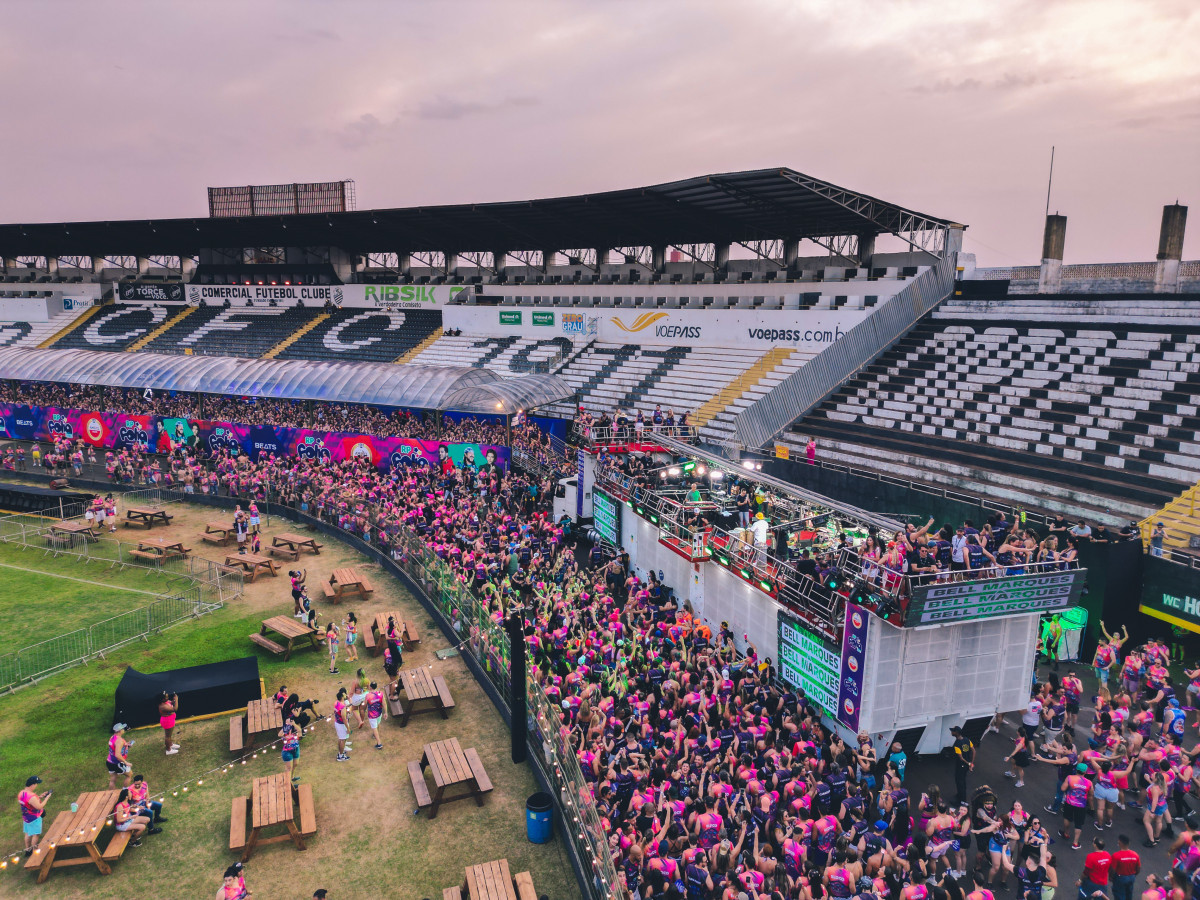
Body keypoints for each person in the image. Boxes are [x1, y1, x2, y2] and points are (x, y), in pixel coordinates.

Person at [18, 775, 50, 856]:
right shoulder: (31, 797)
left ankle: (28, 850)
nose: (36, 786)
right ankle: (35, 850)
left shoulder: (22, 793)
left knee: (28, 833)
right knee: (36, 834)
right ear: (32, 785)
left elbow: (28, 802)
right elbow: (39, 807)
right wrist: (47, 798)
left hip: (26, 817)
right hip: (35, 818)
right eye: (36, 784)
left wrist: (39, 797)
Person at [1110, 835, 1140, 900]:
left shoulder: (1116, 855)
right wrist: (1134, 875)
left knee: (1119, 895)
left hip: (1120, 878)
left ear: (1119, 843)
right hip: (1131, 877)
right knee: (1129, 893)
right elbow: (1138, 868)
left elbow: (1113, 869)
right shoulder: (1135, 854)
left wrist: (1111, 877)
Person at [952, 725, 975, 806]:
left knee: (959, 782)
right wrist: (971, 763)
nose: (951, 732)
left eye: (953, 731)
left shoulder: (957, 744)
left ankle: (962, 801)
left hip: (961, 765)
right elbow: (974, 751)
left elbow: (961, 758)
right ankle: (960, 795)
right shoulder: (967, 740)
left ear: (956, 733)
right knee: (963, 780)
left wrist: (968, 763)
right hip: (966, 766)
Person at [107, 722, 133, 789]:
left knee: (113, 779)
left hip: (109, 761)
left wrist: (125, 745)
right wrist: (126, 762)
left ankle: (111, 795)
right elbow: (117, 755)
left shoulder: (112, 737)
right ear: (120, 731)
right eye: (123, 729)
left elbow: (114, 747)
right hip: (117, 763)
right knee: (129, 775)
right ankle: (125, 790)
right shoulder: (119, 741)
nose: (124, 730)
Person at [158, 690, 180, 755]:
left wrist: (174, 701)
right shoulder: (163, 706)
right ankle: (168, 750)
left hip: (170, 720)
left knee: (169, 735)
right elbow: (175, 709)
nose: (167, 698)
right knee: (167, 736)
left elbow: (171, 703)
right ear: (162, 699)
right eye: (166, 697)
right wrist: (177, 700)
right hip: (167, 721)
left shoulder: (166, 702)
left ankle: (170, 744)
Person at [365, 681, 385, 750]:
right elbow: (384, 703)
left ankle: (379, 743)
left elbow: (365, 704)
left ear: (370, 687)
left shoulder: (368, 695)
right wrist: (386, 713)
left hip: (372, 715)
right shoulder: (380, 693)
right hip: (379, 713)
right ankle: (375, 735)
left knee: (374, 728)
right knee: (378, 723)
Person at [280, 718, 301, 783]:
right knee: (289, 768)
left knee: (295, 764)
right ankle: (288, 783)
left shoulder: (295, 729)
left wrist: (294, 724)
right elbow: (279, 735)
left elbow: (300, 732)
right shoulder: (285, 731)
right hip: (287, 752)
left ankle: (292, 777)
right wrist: (286, 726)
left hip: (296, 749)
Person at [333, 687, 351, 762]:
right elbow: (344, 718)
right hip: (341, 724)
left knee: (340, 739)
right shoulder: (342, 706)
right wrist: (348, 728)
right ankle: (340, 756)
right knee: (342, 740)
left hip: (337, 722)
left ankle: (341, 752)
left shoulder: (336, 702)